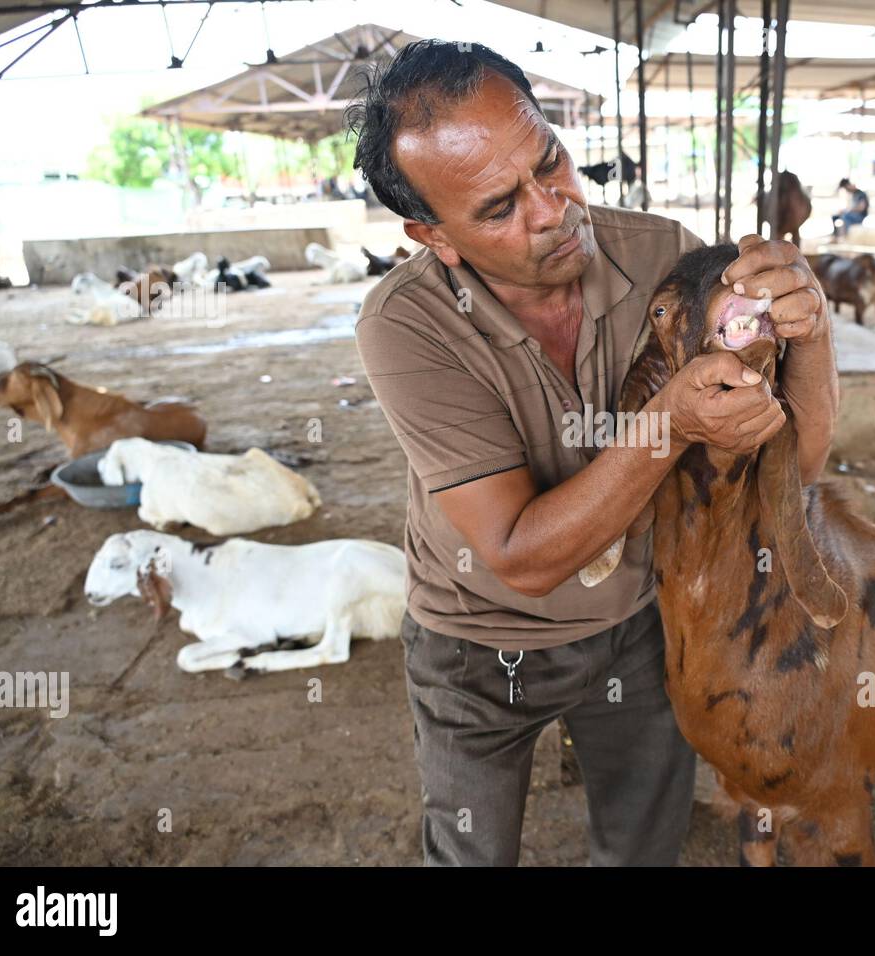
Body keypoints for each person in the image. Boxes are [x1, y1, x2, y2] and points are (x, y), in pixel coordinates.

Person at [348, 39, 838, 867]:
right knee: (470, 853)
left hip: (639, 622)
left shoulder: (661, 255)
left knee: (644, 844)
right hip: (476, 646)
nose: (552, 210)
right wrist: (670, 425)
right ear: (433, 235)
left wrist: (808, 326)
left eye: (552, 163)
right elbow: (523, 559)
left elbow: (800, 461)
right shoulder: (404, 324)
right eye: (500, 208)